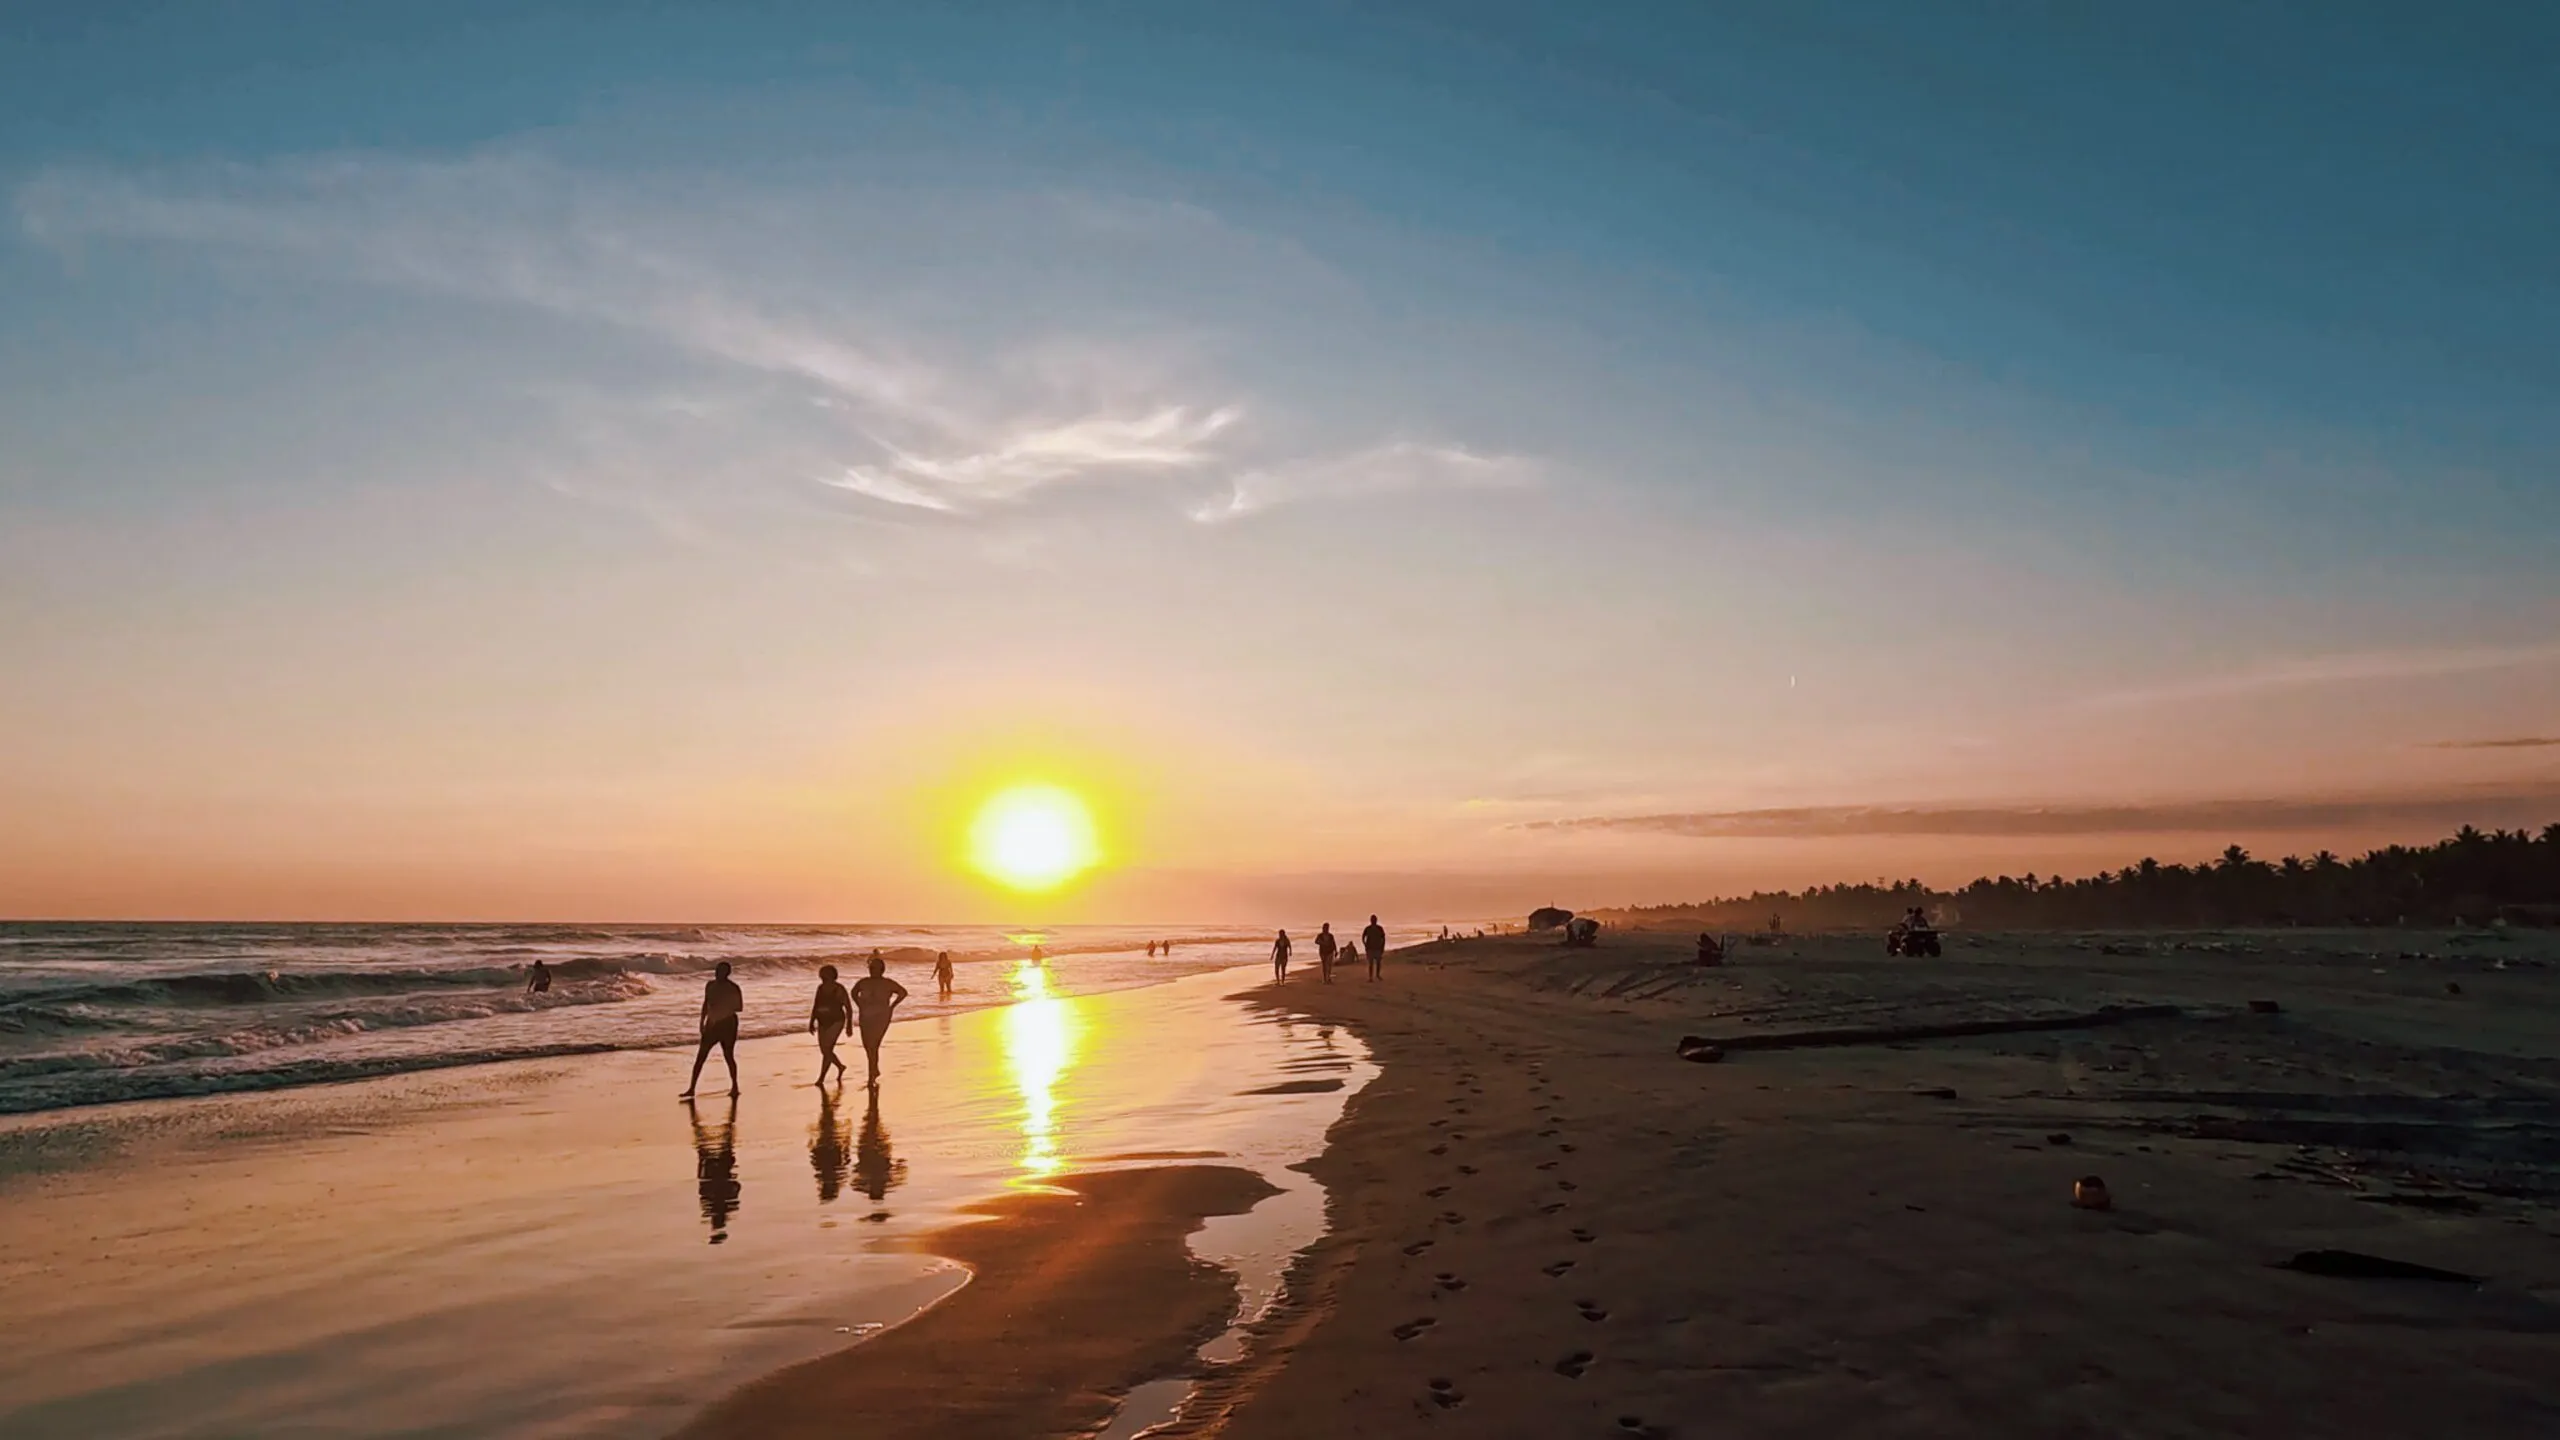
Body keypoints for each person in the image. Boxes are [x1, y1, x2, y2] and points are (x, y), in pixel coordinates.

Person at [682, 961, 744, 1099]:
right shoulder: (710, 985)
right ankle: (691, 1088)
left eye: (720, 971)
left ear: (727, 973)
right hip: (711, 1024)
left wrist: (723, 1005)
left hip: (728, 1023)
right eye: (716, 971)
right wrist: (702, 1021)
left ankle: (735, 1086)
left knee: (728, 1056)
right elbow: (705, 1003)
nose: (717, 974)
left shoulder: (733, 988)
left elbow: (739, 1007)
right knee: (700, 1057)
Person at [850, 954, 909, 1087]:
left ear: (882, 969)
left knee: (874, 1045)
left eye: (875, 968)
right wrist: (859, 1004)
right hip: (865, 1017)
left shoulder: (887, 983)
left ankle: (871, 1075)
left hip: (881, 1017)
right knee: (867, 1046)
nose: (872, 970)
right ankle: (874, 1069)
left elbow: (903, 992)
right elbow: (853, 992)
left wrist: (892, 1007)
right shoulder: (863, 982)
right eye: (871, 968)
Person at [809, 964, 852, 1086]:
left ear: (832, 975)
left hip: (836, 1020)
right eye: (821, 973)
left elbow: (848, 1007)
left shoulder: (839, 989)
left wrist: (849, 1025)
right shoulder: (820, 988)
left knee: (827, 1049)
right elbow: (816, 1005)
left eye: (824, 973)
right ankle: (840, 1066)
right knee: (825, 1050)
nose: (822, 975)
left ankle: (821, 1078)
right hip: (822, 1021)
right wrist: (812, 1021)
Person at [1362, 914, 1387, 980]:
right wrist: (1365, 945)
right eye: (1372, 920)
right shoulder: (1368, 928)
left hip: (1377, 948)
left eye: (1374, 920)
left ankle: (1377, 975)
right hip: (1370, 948)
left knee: (1378, 963)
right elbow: (1363, 937)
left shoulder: (1379, 928)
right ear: (1371, 920)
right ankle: (1371, 977)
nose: (1373, 921)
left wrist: (1382, 947)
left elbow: (1383, 938)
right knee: (1371, 963)